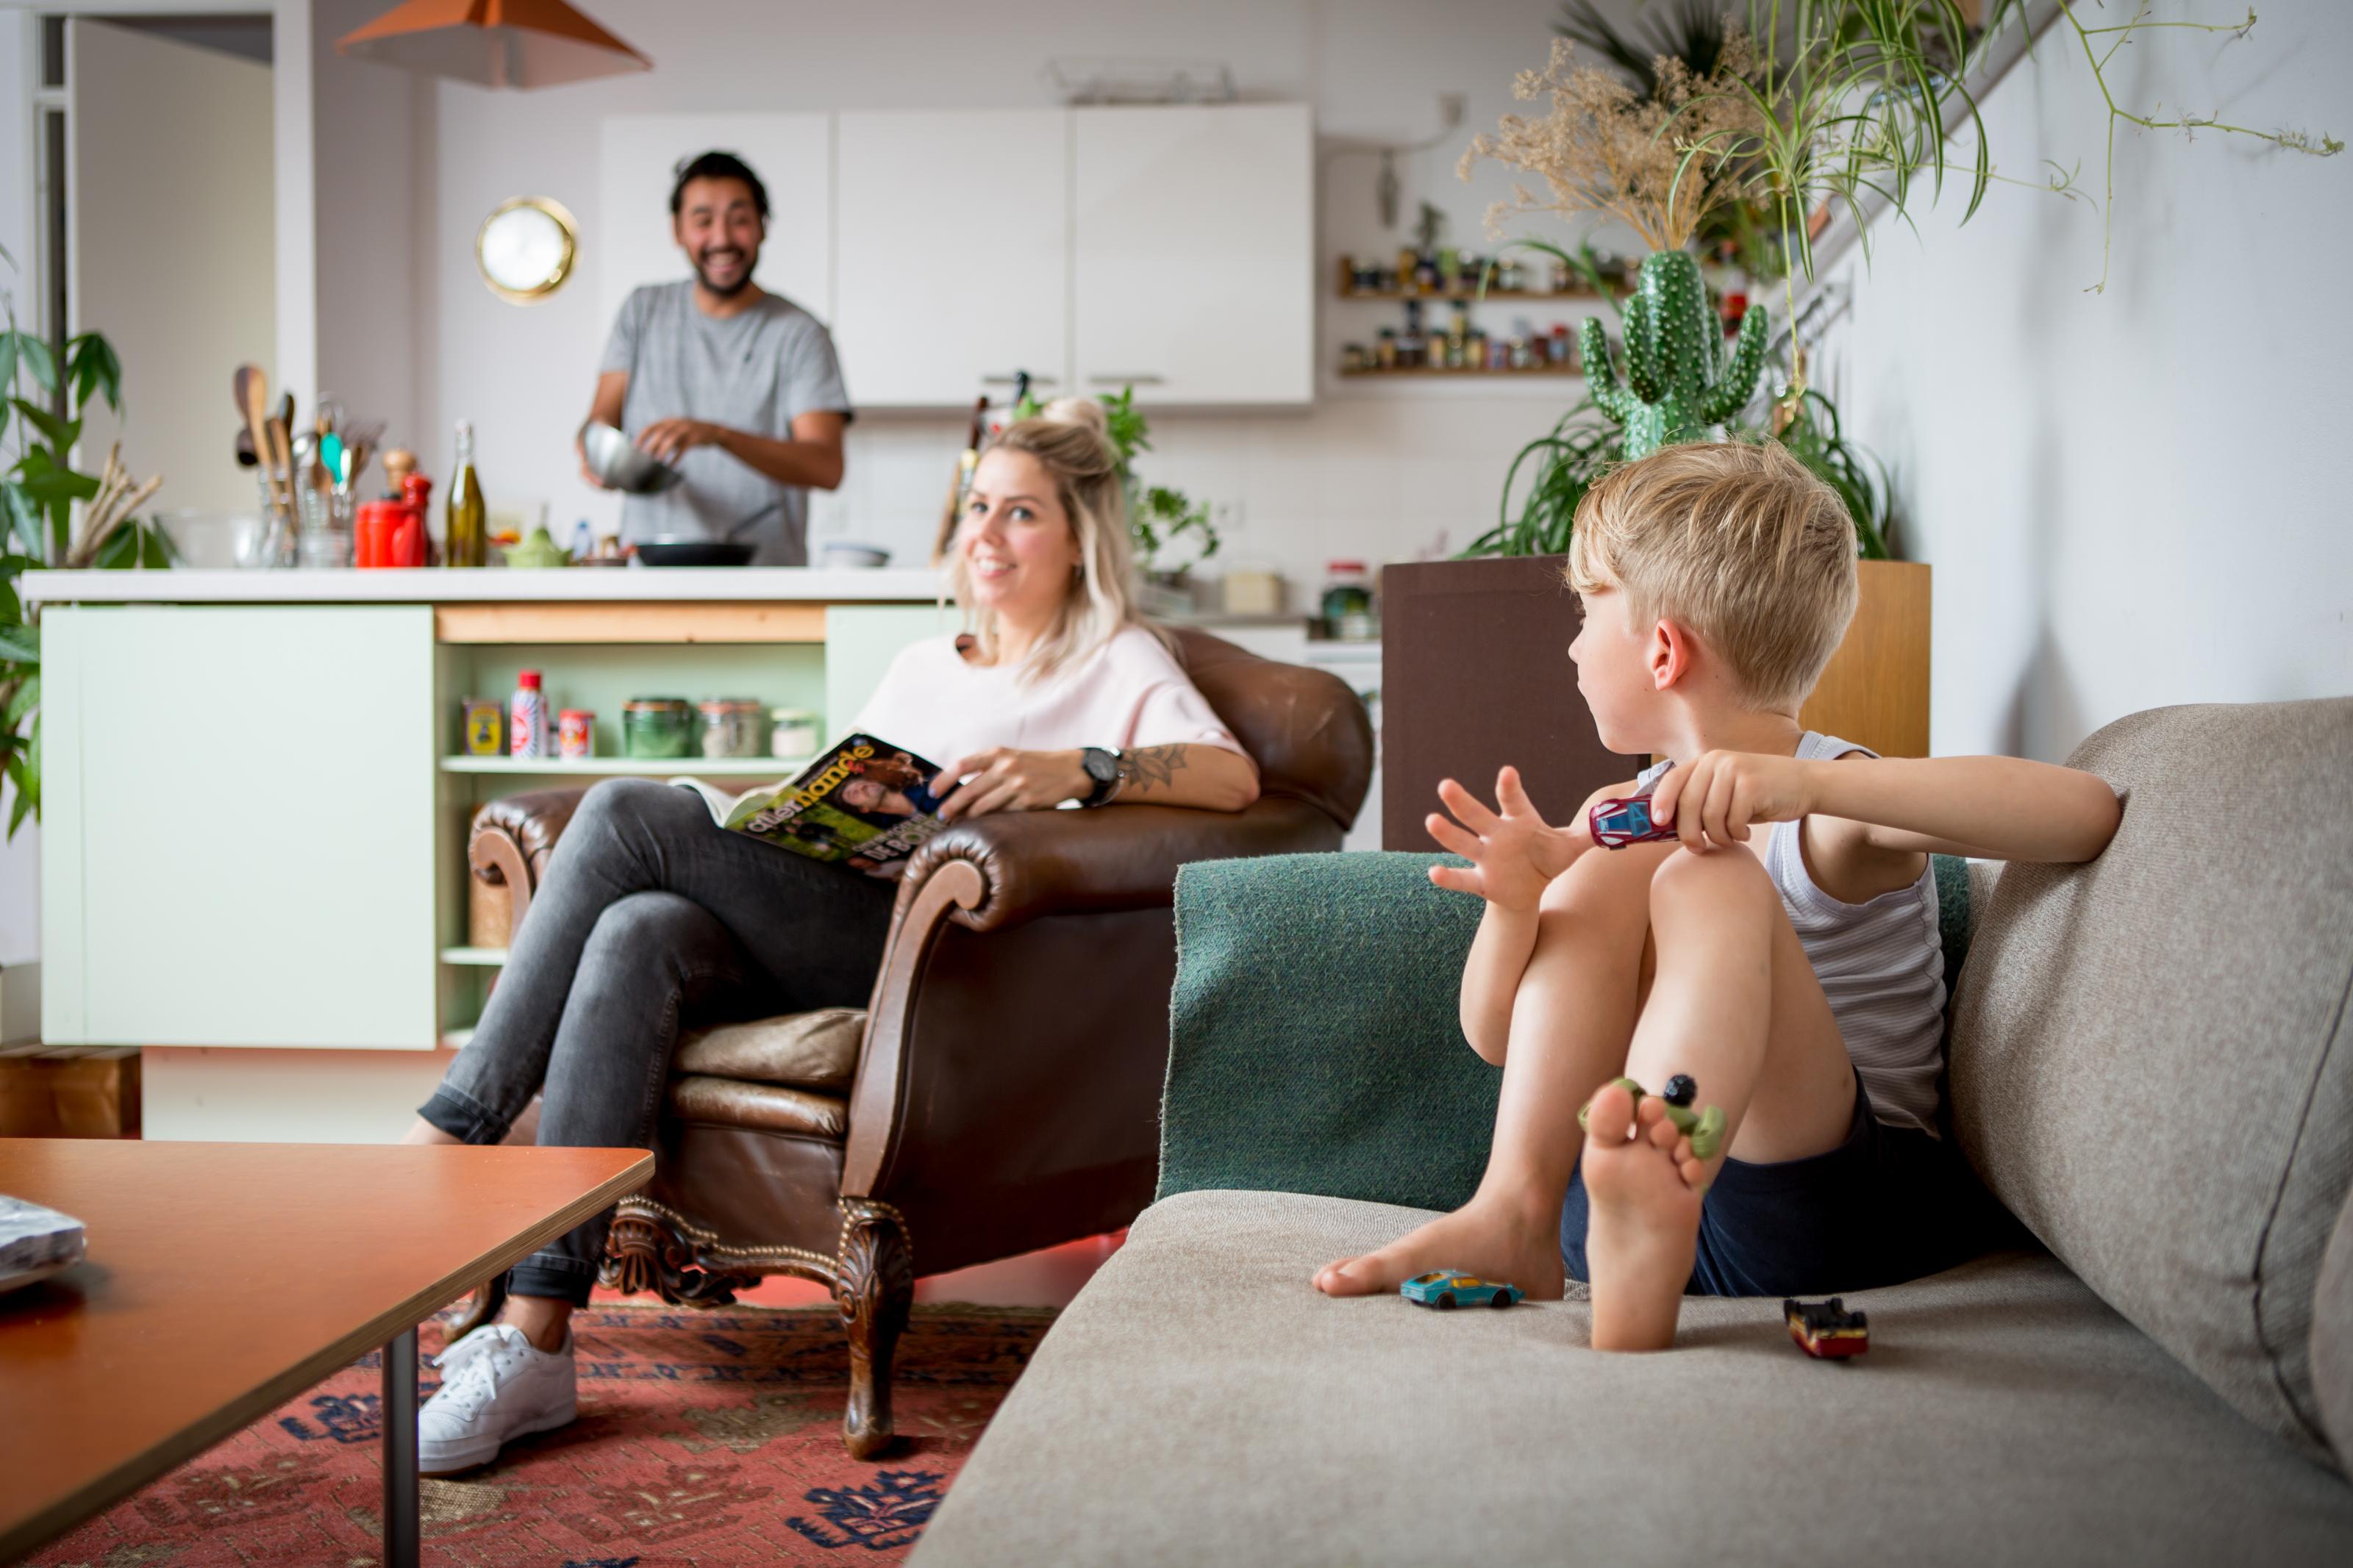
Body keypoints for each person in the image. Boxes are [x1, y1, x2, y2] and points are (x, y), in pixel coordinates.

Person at [404, 398, 1260, 1472]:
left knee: (626, 814)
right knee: (637, 927)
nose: (986, 534)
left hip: (941, 966)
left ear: (1082, 537)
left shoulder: (1116, 658)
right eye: (977, 507)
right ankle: (535, 1337)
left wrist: (1080, 769)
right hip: (839, 913)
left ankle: (453, 1132)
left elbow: (1231, 776)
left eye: (1023, 514)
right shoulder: (920, 664)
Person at [1314, 440, 2122, 1350]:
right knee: (1630, 851)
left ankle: (1662, 1173)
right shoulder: (1611, 816)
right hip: (1618, 1211)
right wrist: (1516, 907)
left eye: (1585, 612)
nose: (1573, 646)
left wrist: (1817, 791)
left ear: (1661, 651)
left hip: (1830, 1208)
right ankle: (1516, 1212)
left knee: (1708, 871)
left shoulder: (1828, 808)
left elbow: (2084, 812)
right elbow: (1495, 1037)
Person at [580, 150, 851, 565]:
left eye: (739, 220)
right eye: (703, 221)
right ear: (678, 230)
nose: (722, 239)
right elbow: (600, 423)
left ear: (763, 227)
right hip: (648, 577)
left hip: (765, 581)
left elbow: (826, 466)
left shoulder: (800, 334)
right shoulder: (642, 311)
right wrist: (598, 457)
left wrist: (720, 435)